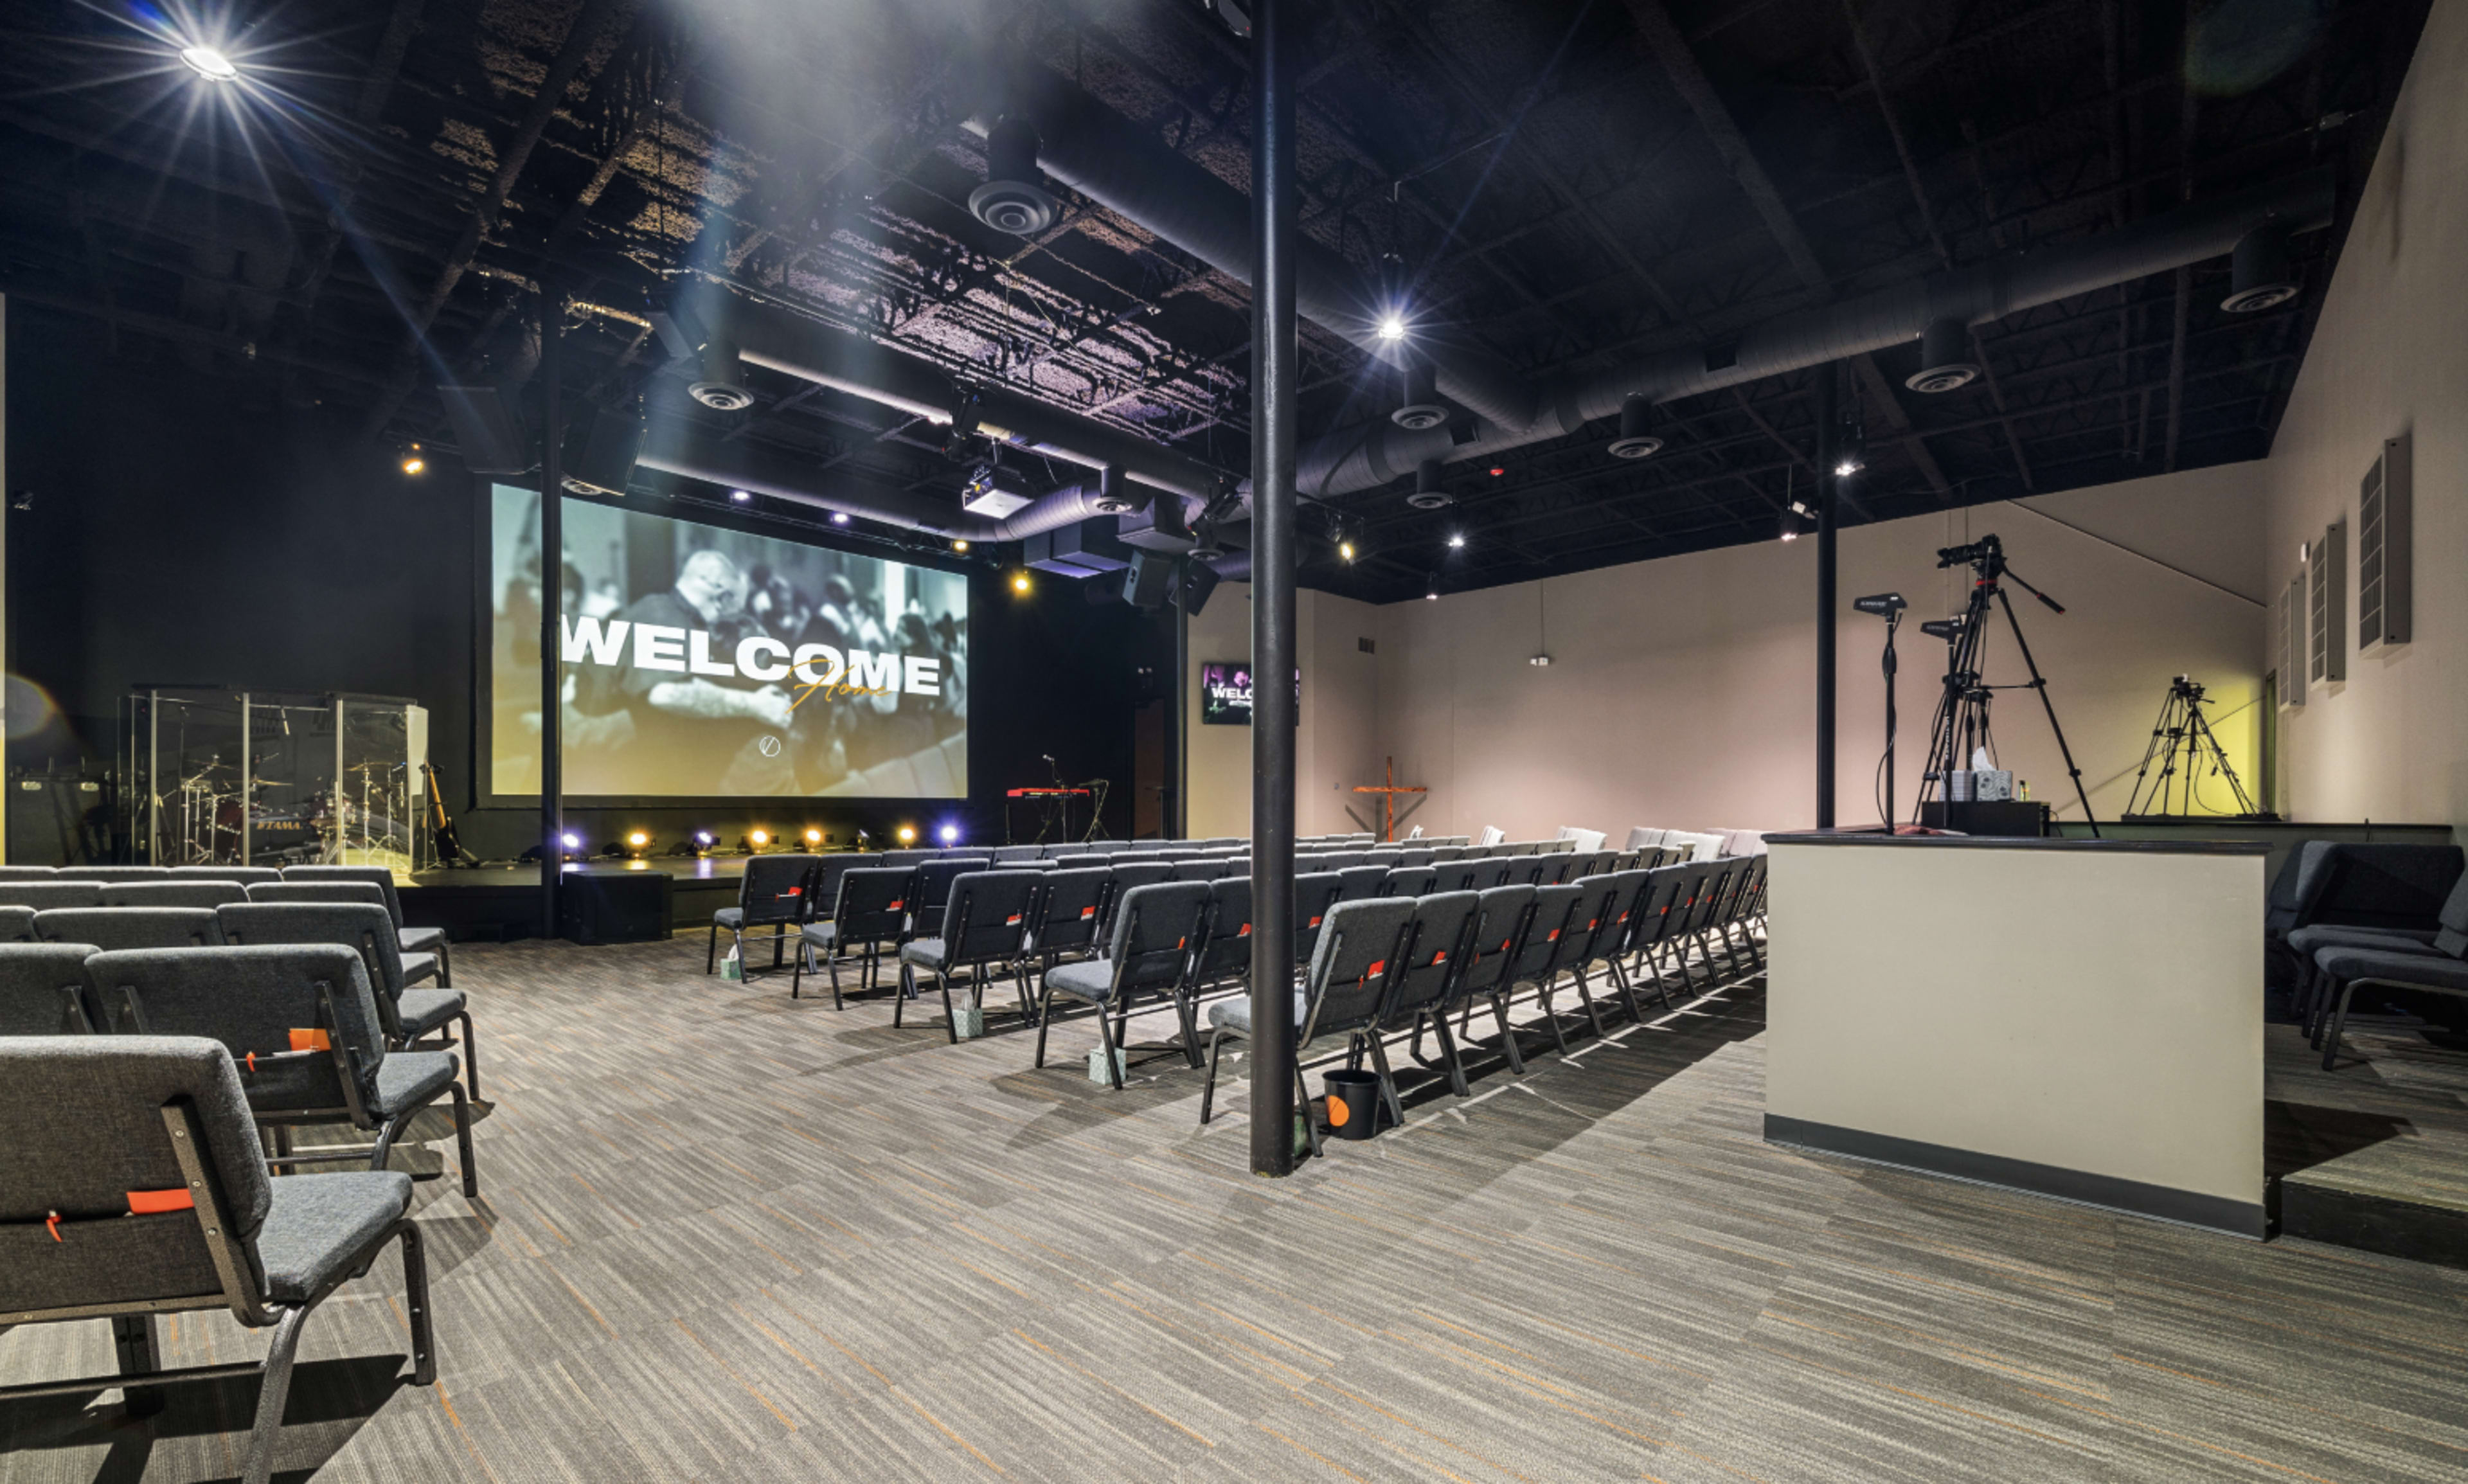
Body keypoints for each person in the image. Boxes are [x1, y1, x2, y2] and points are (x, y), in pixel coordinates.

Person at [610, 549, 798, 793]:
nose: (729, 611)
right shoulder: (662, 612)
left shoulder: (679, 616)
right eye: (732, 601)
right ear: (720, 592)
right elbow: (666, 693)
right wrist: (755, 705)